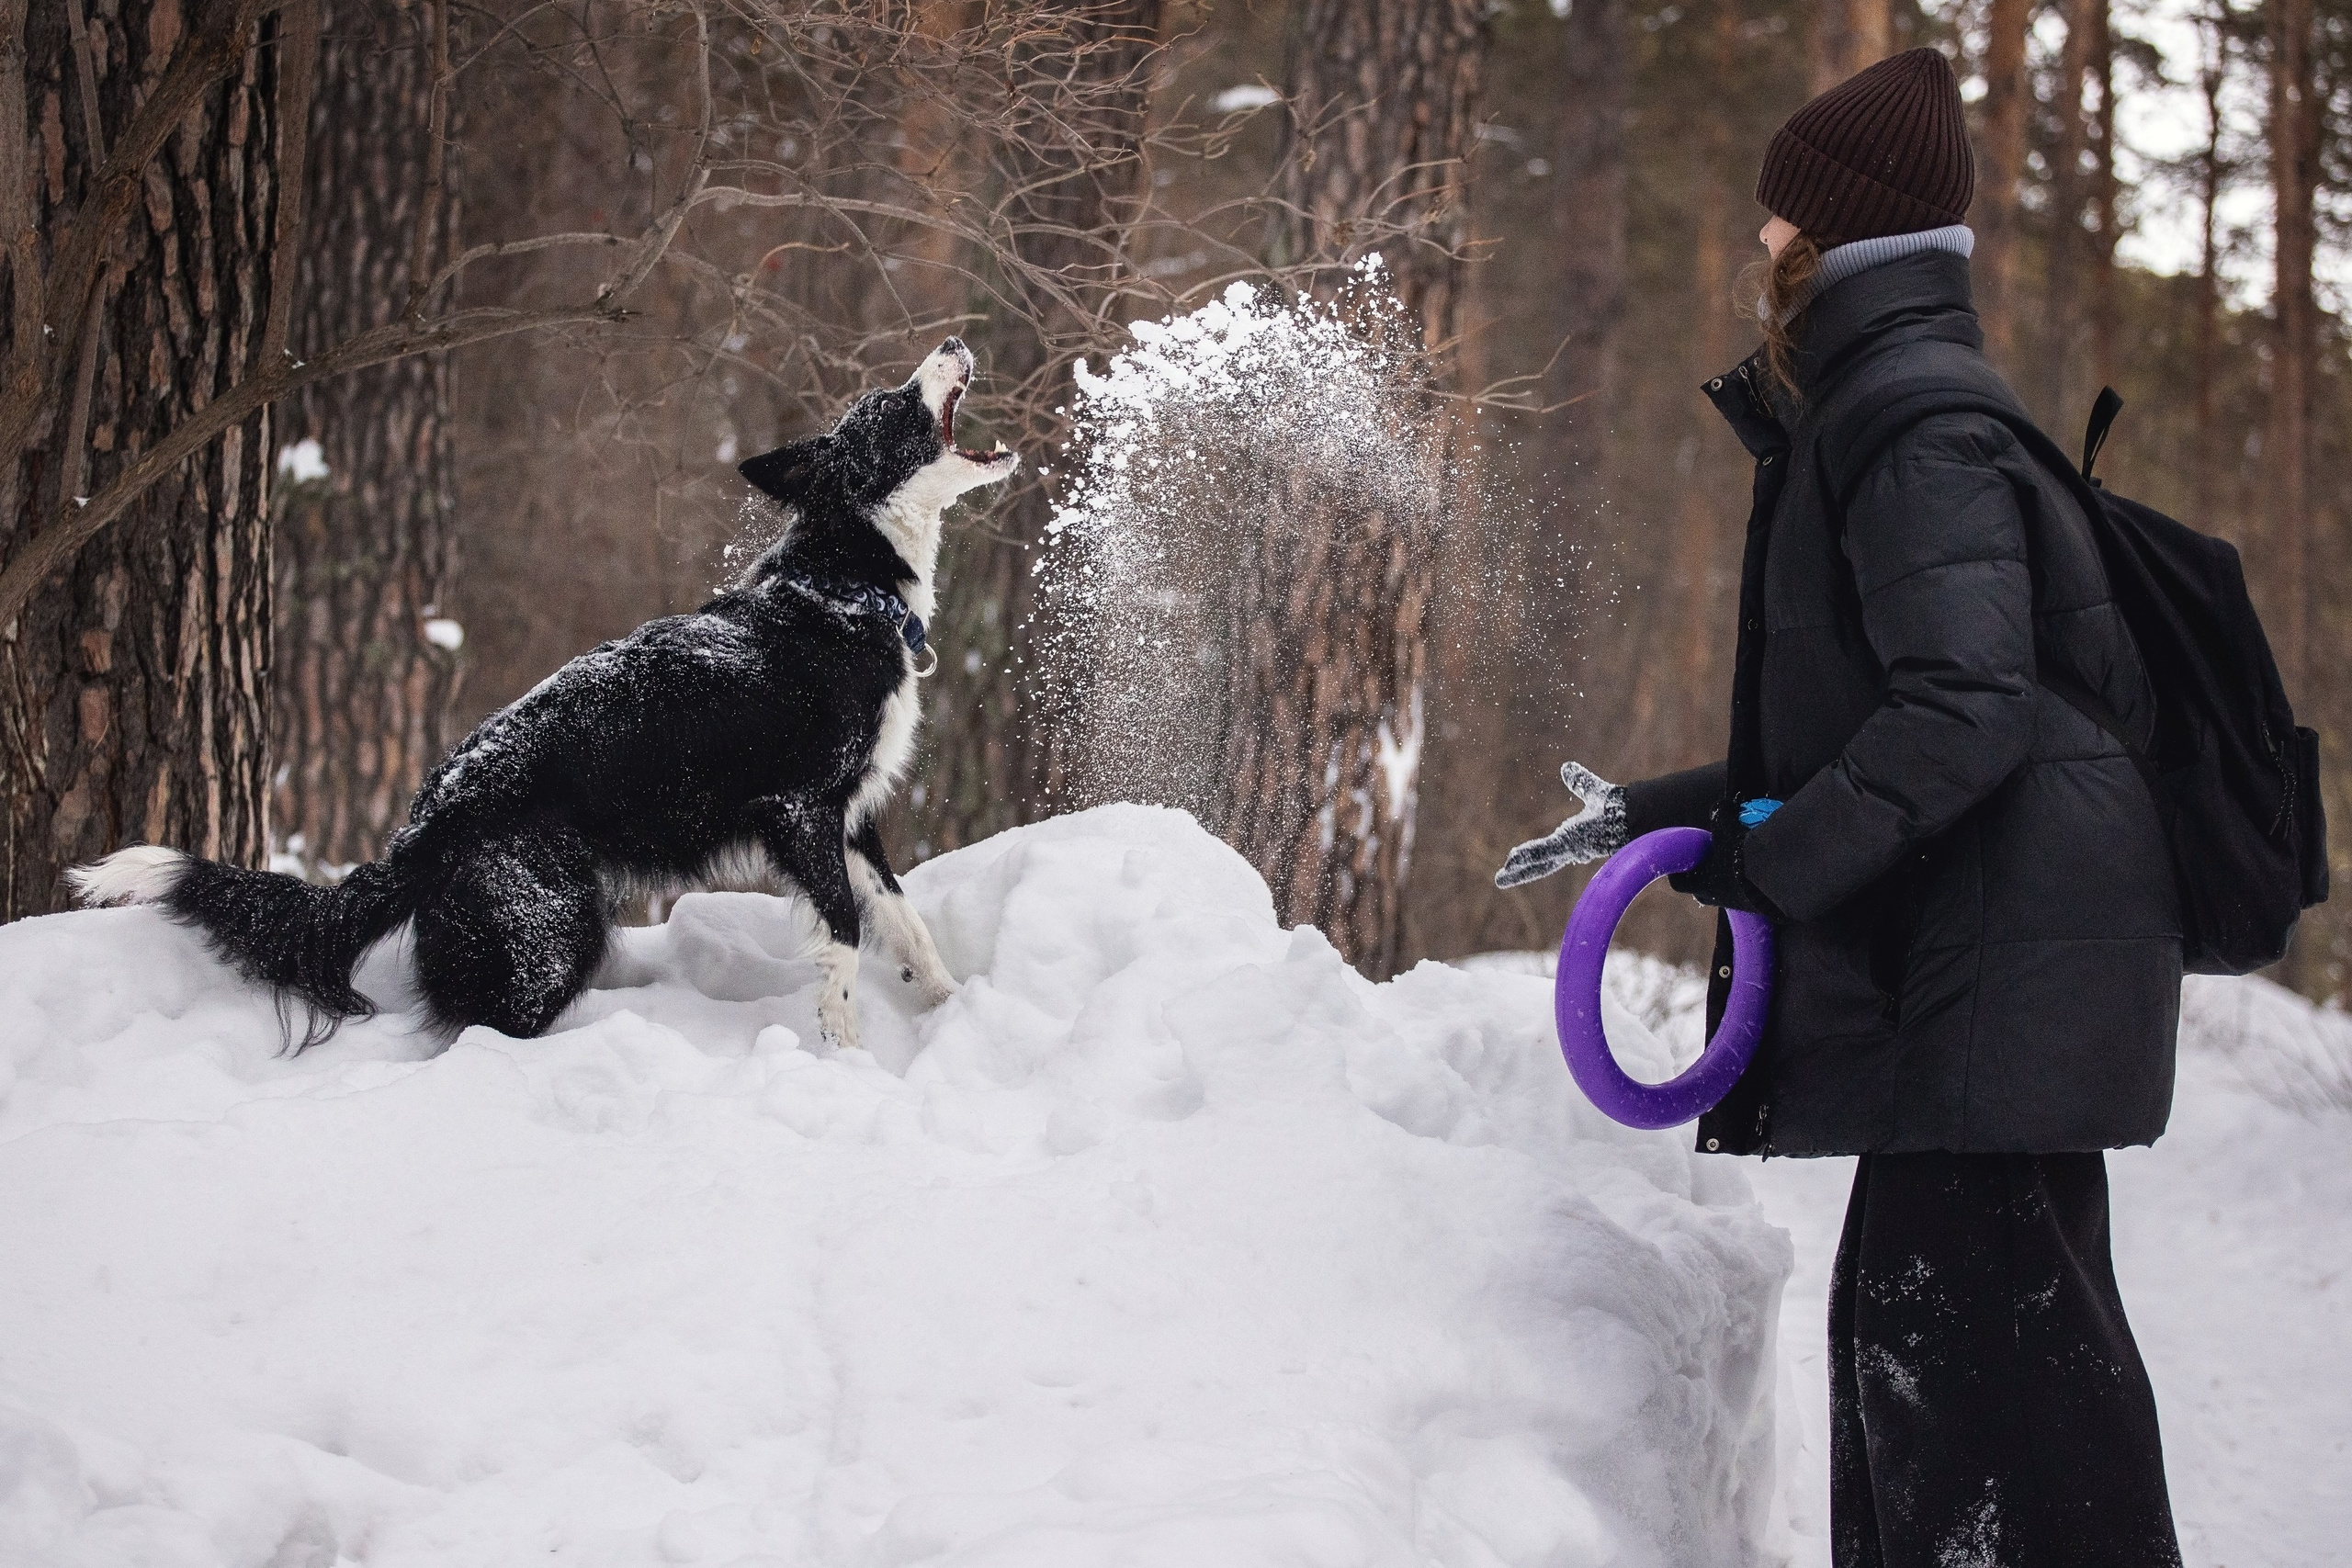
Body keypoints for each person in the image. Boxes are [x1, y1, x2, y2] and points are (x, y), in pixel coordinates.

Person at [1498, 48, 2186, 1568]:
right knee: (1948, 1403)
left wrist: (1774, 866)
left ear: (1833, 234)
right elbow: (1899, 715)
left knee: (1993, 1437)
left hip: (2000, 996)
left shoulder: (1913, 416)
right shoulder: (1896, 399)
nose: (1757, 242)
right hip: (1989, 995)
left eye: (1778, 214)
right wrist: (1656, 818)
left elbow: (1964, 707)